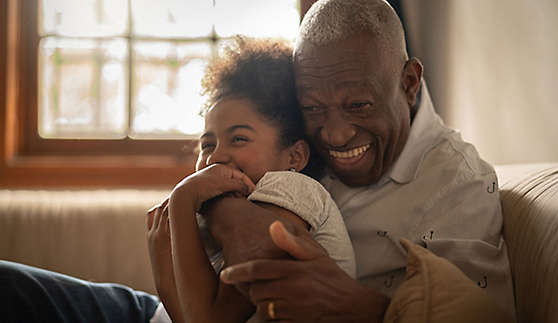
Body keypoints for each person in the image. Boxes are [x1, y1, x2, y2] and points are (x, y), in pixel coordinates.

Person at [207, 0, 516, 321]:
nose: (335, 135)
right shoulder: (298, 146)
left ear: (409, 83)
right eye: (314, 108)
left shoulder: (458, 185)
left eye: (359, 105)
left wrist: (357, 305)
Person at [146, 37, 355, 323]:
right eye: (208, 144)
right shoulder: (232, 208)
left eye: (239, 139)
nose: (214, 157)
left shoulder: (292, 190)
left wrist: (182, 200)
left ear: (294, 157)